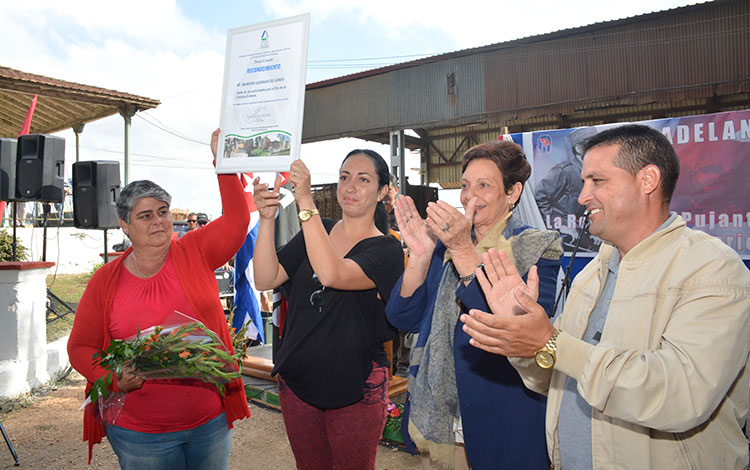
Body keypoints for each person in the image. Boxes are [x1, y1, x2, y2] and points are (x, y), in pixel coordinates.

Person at [460, 124, 750, 469]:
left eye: (597, 181)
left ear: (648, 180)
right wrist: (523, 337)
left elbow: (679, 396)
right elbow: (550, 377)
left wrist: (550, 343)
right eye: (584, 182)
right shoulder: (594, 274)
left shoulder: (711, 269)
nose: (582, 196)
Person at [67, 129, 251, 469]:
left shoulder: (195, 250)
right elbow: (79, 347)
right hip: (141, 434)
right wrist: (111, 377)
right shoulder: (105, 281)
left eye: (163, 211)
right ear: (124, 224)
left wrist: (223, 163)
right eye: (145, 215)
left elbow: (239, 220)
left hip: (208, 423)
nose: (159, 221)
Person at [385, 141, 562, 469]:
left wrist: (463, 248)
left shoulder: (536, 248)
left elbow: (514, 330)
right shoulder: (445, 248)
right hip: (439, 416)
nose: (470, 195)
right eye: (465, 185)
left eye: (484, 185)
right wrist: (422, 255)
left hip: (503, 415)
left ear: (513, 191)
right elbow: (402, 316)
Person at [252, 149, 405, 470]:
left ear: (381, 192)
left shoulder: (386, 248)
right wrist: (266, 220)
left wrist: (305, 202)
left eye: (363, 180)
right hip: (299, 382)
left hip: (355, 384)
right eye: (344, 177)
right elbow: (266, 277)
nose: (350, 187)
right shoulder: (318, 230)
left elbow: (333, 274)